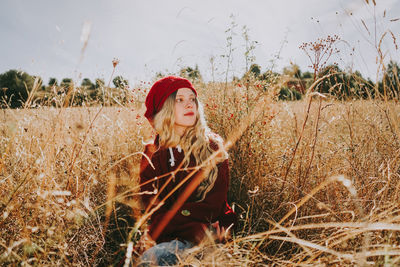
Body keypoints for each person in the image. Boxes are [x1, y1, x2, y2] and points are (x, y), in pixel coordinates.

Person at [137, 76, 237, 266]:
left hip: (209, 236)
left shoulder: (213, 147)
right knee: (150, 261)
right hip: (169, 235)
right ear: (164, 109)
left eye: (192, 99)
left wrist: (174, 218)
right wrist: (187, 222)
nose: (189, 105)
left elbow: (213, 206)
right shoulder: (152, 152)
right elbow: (151, 205)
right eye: (179, 100)